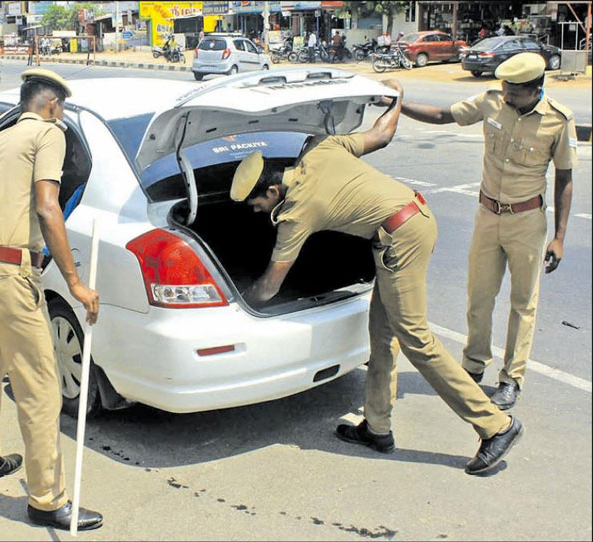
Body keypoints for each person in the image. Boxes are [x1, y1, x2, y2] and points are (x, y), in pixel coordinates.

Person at [230, 79, 523, 476]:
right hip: (412, 218)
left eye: (256, 204)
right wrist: (397, 96)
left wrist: (239, 304)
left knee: (416, 338)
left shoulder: (297, 211)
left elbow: (270, 285)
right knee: (381, 333)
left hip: (401, 236)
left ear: (271, 188)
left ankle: (495, 425)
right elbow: (382, 134)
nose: (255, 212)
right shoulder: (321, 149)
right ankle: (378, 427)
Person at [394, 53, 577, 409]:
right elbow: (444, 115)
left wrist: (559, 237)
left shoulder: (558, 121)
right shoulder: (491, 101)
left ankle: (512, 378)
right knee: (479, 297)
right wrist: (399, 105)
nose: (506, 97)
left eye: (514, 92)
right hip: (487, 215)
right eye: (505, 89)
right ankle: (474, 365)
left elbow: (565, 177)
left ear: (536, 89)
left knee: (523, 303)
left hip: (527, 221)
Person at [0, 68, 102, 530]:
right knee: (41, 386)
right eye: (60, 108)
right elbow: (47, 206)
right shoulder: (48, 134)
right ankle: (46, 499)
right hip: (9, 271)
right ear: (52, 106)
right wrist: (75, 281)